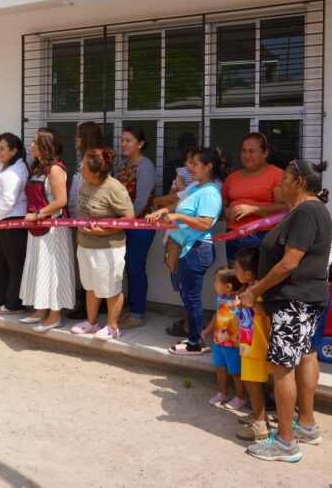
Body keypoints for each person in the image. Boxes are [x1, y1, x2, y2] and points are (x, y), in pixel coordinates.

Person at [239, 160, 332, 463]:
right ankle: (305, 424)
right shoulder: (311, 210)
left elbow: (290, 262)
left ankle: (285, 443)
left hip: (294, 301)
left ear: (300, 182)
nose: (280, 185)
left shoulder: (307, 211)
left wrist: (255, 290)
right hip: (304, 300)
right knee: (304, 355)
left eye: (284, 180)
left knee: (282, 368)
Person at [147, 147, 225, 355]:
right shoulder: (195, 187)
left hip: (196, 250)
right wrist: (164, 211)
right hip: (185, 249)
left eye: (194, 164)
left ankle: (194, 344)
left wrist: (178, 218)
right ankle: (193, 338)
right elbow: (177, 206)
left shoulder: (210, 192)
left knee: (192, 298)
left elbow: (205, 223)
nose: (190, 168)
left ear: (208, 167)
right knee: (188, 296)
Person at [69, 149, 135, 341]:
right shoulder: (85, 184)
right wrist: (80, 234)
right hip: (85, 245)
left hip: (108, 247)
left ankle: (113, 327)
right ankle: (91, 323)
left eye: (84, 167)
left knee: (110, 288)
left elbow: (129, 219)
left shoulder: (115, 188)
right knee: (90, 286)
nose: (81, 170)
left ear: (96, 172)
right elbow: (82, 213)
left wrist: (104, 231)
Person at [19, 127, 75, 332]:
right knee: (38, 267)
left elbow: (61, 201)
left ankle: (55, 315)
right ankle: (40, 309)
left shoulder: (55, 169)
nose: (31, 145)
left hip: (52, 229)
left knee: (52, 270)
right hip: (37, 227)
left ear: (45, 145)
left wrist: (38, 214)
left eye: (35, 141)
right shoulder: (38, 168)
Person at [114, 126, 157, 329]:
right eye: (122, 140)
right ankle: (128, 308)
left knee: (135, 267)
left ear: (140, 143)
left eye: (129, 140)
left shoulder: (145, 166)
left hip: (140, 224)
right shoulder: (122, 165)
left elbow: (140, 202)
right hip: (123, 223)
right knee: (124, 267)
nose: (124, 144)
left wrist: (124, 219)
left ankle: (137, 313)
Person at [221, 132, 287, 263]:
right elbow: (221, 204)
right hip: (234, 234)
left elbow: (285, 207)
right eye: (244, 151)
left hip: (263, 236)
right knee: (235, 279)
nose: (246, 156)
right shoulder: (232, 178)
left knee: (260, 279)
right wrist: (227, 212)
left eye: (252, 151)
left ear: (265, 153)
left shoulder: (277, 175)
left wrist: (253, 209)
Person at [232, 247, 273, 442]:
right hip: (251, 345)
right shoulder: (255, 287)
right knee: (251, 384)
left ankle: (259, 427)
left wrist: (246, 302)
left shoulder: (255, 292)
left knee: (253, 386)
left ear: (248, 273)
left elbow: (264, 311)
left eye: (236, 268)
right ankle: (259, 416)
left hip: (255, 347)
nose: (234, 272)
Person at [0, 132, 29, 315]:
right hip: (0, 221)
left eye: (2, 148)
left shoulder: (15, 170)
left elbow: (8, 201)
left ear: (14, 151)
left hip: (12, 222)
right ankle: (0, 298)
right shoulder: (4, 167)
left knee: (13, 264)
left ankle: (14, 303)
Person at [67, 121, 105, 320]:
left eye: (78, 136)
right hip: (77, 219)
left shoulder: (94, 160)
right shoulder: (84, 159)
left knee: (90, 266)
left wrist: (80, 220)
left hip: (86, 220)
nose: (75, 139)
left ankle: (89, 309)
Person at [202, 267, 246, 409]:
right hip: (218, 342)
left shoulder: (240, 301)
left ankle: (240, 398)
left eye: (216, 282)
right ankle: (222, 393)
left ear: (228, 286)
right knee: (220, 368)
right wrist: (208, 329)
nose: (214, 284)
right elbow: (217, 315)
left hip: (233, 345)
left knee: (236, 372)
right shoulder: (220, 299)